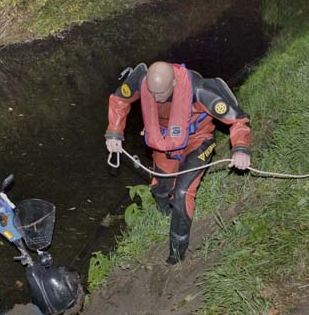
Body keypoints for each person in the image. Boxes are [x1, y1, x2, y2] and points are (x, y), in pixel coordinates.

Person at [105, 62, 251, 264]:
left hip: (197, 141)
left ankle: (176, 252)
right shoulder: (141, 81)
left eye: (161, 93)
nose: (155, 98)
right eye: (151, 93)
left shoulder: (201, 90)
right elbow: (119, 99)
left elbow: (238, 120)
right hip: (165, 142)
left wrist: (240, 148)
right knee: (160, 189)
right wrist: (114, 133)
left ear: (174, 82)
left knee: (182, 193)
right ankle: (165, 213)